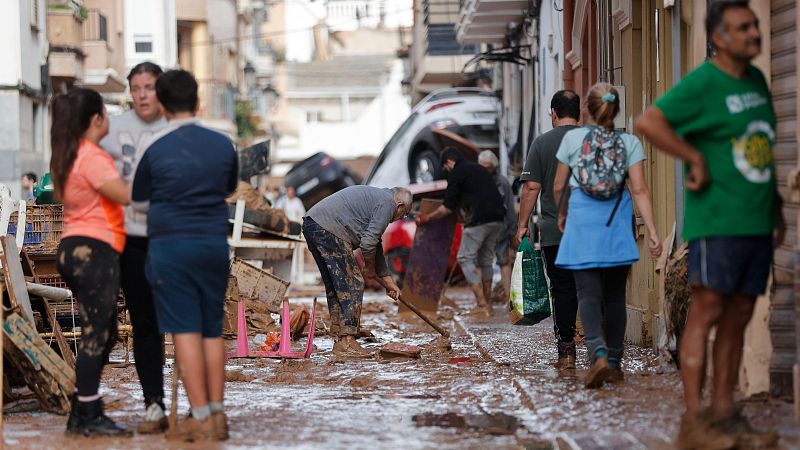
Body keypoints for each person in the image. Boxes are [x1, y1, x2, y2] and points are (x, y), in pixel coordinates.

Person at [635, 1, 781, 448]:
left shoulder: (755, 80)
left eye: (755, 25)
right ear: (718, 38)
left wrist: (774, 207)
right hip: (716, 220)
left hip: (754, 218)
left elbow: (759, 146)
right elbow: (649, 121)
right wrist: (693, 157)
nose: (754, 33)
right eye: (743, 27)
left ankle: (724, 414)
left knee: (739, 314)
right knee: (707, 310)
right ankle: (694, 420)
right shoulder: (703, 82)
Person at [132, 70, 238, 442]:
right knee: (211, 331)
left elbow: (139, 199)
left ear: (161, 104)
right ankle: (219, 414)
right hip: (212, 246)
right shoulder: (224, 144)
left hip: (171, 249)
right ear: (198, 103)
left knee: (185, 332)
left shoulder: (154, 147)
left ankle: (202, 417)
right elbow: (227, 188)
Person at [553, 83, 662, 390]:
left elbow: (560, 185)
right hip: (616, 223)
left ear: (587, 110)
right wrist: (652, 231)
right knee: (615, 296)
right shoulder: (629, 142)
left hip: (582, 222)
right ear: (616, 110)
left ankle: (597, 352)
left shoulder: (573, 139)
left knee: (587, 294)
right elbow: (639, 189)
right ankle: (613, 362)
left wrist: (562, 215)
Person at [50, 88, 131, 437]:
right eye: (106, 113)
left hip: (75, 249)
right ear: (96, 119)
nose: (109, 119)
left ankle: (83, 410)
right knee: (96, 335)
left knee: (102, 332)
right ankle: (88, 414)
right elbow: (125, 196)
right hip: (93, 251)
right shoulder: (92, 156)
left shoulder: (69, 154)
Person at [99, 61, 169, 433]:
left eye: (149, 86)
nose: (142, 94)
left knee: (179, 322)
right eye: (136, 87)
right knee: (143, 322)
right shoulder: (114, 128)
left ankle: (201, 408)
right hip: (128, 238)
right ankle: (153, 404)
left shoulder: (173, 127)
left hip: (169, 237)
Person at [303, 185, 410, 357]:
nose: (399, 219)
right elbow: (368, 243)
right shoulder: (387, 204)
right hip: (329, 228)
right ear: (399, 206)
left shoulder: (378, 198)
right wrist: (368, 267)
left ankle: (339, 337)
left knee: (336, 286)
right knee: (353, 283)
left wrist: (389, 282)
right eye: (403, 215)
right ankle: (347, 341)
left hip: (312, 224)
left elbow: (375, 243)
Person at [516, 90, 581, 370]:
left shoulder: (542, 143)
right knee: (592, 287)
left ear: (553, 112)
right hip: (593, 231)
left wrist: (522, 226)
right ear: (579, 113)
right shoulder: (593, 140)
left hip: (556, 232)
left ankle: (566, 351)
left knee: (563, 289)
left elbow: (531, 187)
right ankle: (605, 351)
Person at [416, 148, 506, 316]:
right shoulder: (477, 168)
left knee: (464, 258)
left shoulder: (457, 172)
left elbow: (447, 207)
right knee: (486, 260)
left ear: (449, 162)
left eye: (446, 168)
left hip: (480, 220)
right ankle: (488, 306)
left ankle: (481, 304)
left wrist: (428, 217)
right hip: (498, 219)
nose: (447, 172)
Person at [477, 150, 516, 302]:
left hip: (501, 229)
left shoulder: (503, 182)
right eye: (482, 167)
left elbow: (510, 210)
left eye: (487, 167)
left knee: (504, 262)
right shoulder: (476, 180)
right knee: (484, 263)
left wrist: (513, 231)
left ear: (494, 166)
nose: (485, 170)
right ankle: (485, 299)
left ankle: (510, 298)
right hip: (482, 229)